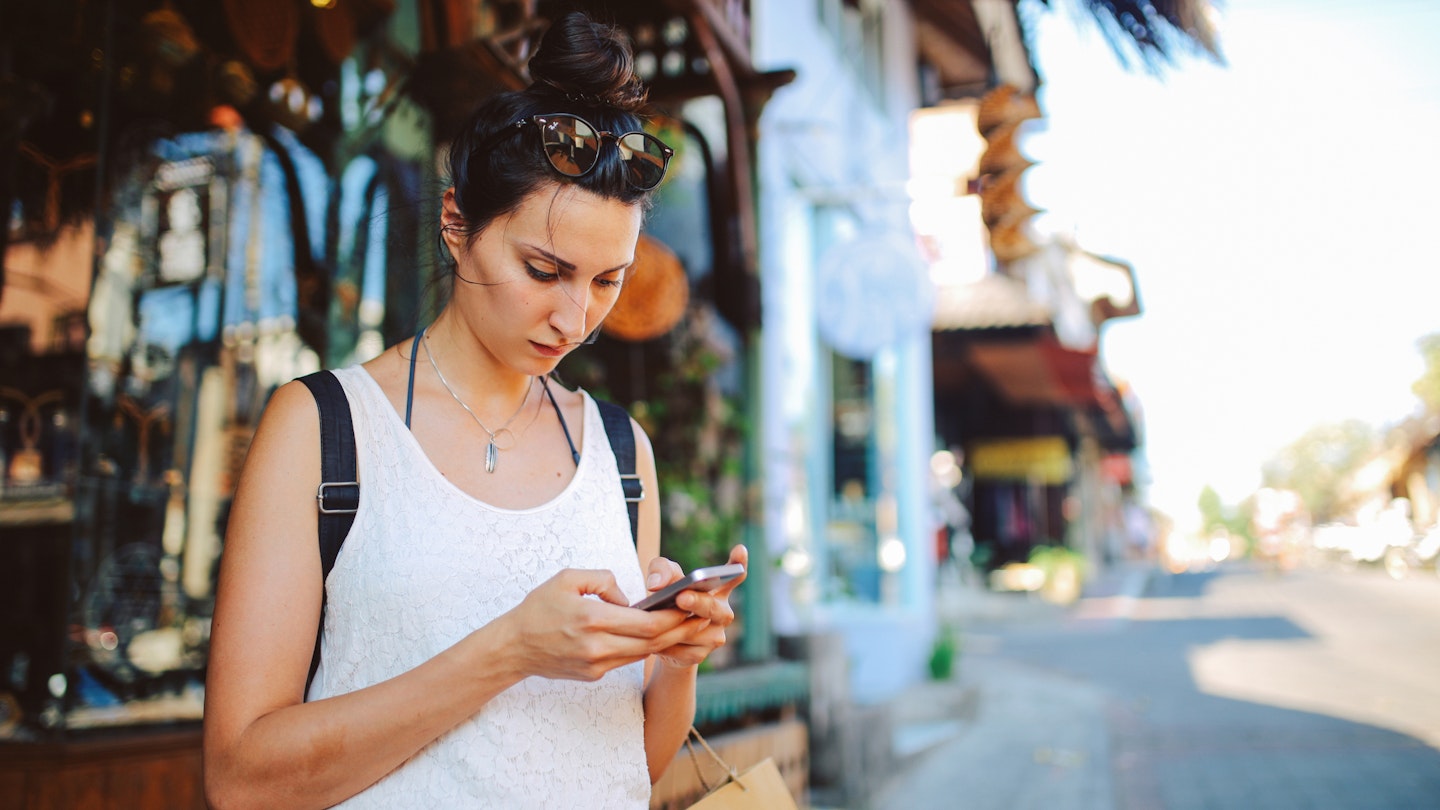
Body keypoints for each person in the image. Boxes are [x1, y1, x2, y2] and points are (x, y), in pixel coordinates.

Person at [202, 13, 747, 808]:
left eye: (607, 280)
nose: (575, 318)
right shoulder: (326, 431)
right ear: (456, 225)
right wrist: (511, 650)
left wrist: (676, 659)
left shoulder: (620, 457)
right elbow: (240, 779)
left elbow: (628, 765)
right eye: (543, 268)